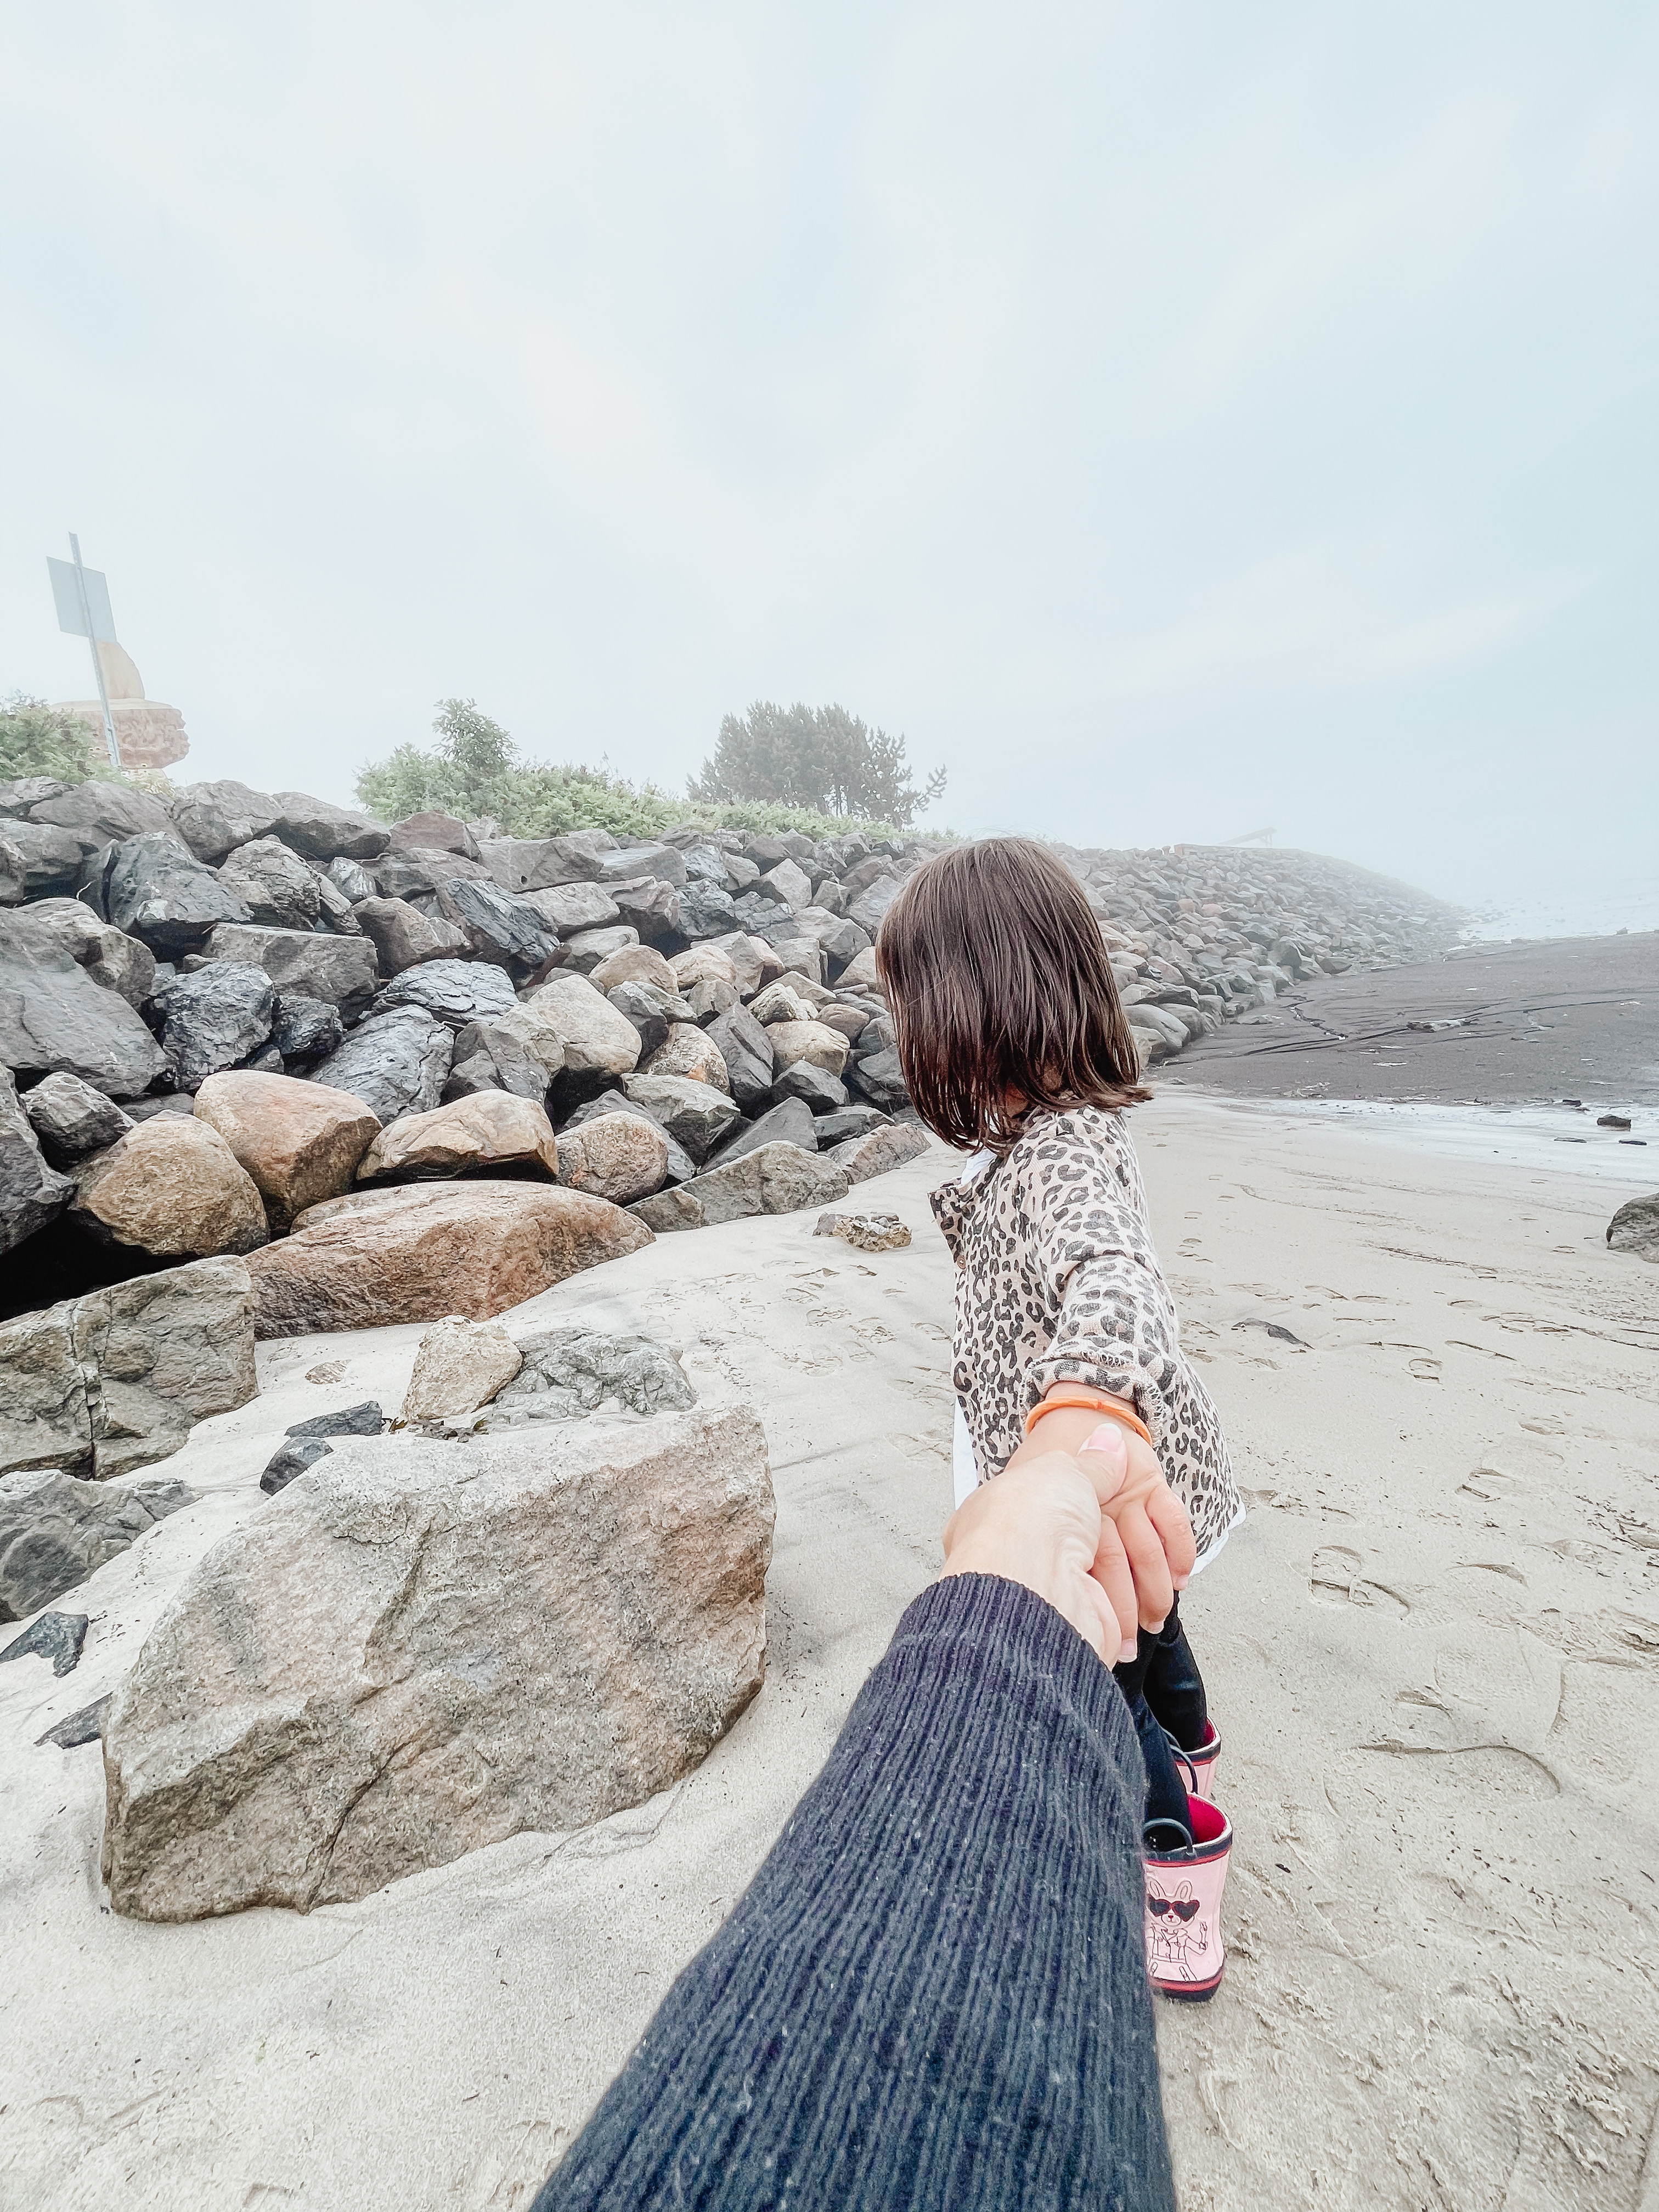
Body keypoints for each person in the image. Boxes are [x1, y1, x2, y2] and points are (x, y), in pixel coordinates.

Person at [533, 1442, 1181, 2212]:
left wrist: (1006, 1581)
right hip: (1047, 1479)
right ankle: (1172, 1784)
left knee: (1134, 1639)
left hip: (1053, 1475)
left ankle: (1166, 1777)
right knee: (1135, 1637)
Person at [876, 836, 1244, 1999]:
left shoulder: (1067, 1153)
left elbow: (1119, 1280)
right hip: (1118, 1468)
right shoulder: (1055, 1135)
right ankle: (1192, 1723)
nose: (904, 1037)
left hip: (1089, 1457)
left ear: (971, 1005)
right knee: (1151, 1611)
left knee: (1105, 1672)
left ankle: (1172, 1858)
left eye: (911, 1008)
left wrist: (1078, 1407)